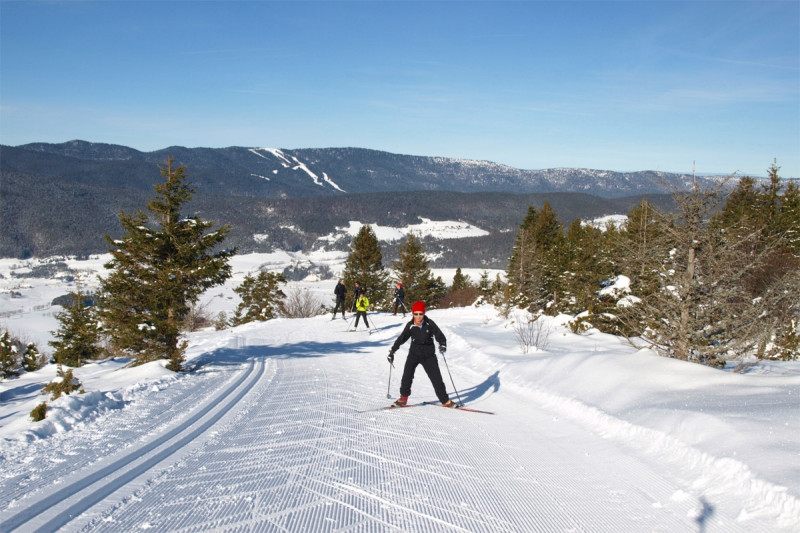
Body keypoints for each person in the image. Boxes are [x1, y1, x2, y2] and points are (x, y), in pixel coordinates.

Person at [387, 301, 455, 407]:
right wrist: (392, 351)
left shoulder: (429, 323)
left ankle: (445, 400)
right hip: (414, 354)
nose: (418, 317)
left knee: (436, 378)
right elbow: (402, 338)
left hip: (429, 356)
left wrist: (442, 345)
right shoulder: (410, 325)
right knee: (407, 376)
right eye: (416, 314)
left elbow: (440, 336)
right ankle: (403, 398)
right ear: (413, 314)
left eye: (421, 314)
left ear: (424, 313)